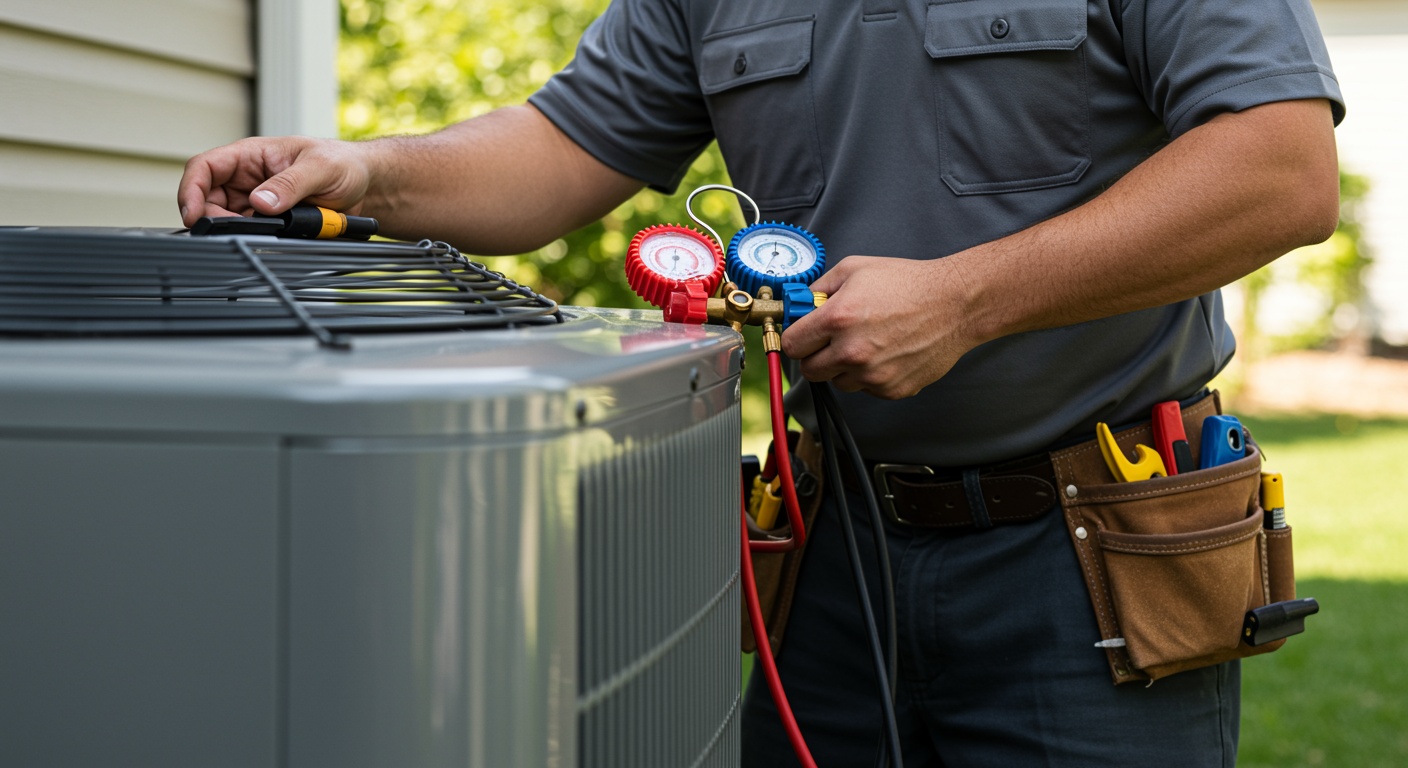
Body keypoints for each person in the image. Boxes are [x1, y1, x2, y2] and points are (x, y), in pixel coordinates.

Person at [179, 1, 1344, 764]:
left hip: (1095, 551)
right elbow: (559, 150)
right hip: (834, 552)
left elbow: (1278, 170)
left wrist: (965, 298)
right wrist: (366, 168)